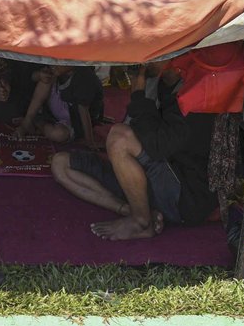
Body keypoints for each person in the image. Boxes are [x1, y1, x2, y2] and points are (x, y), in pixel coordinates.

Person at [50, 63, 216, 240]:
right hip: (145, 179)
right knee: (60, 163)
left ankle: (141, 222)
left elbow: (157, 146)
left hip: (183, 195)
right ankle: (132, 209)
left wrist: (139, 95)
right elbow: (138, 130)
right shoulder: (158, 83)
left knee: (120, 137)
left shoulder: (195, 95)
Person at [13, 65, 103, 149]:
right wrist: (41, 75)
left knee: (59, 134)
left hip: (73, 123)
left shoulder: (84, 77)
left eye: (59, 60)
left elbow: (84, 111)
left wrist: (89, 141)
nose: (54, 63)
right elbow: (32, 77)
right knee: (45, 80)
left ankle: (38, 124)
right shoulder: (56, 70)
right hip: (53, 113)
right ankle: (27, 122)